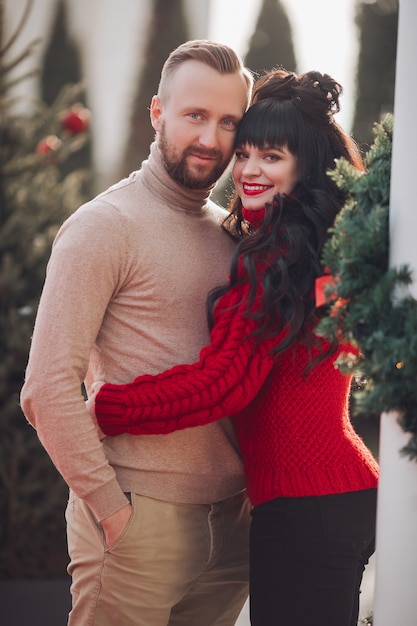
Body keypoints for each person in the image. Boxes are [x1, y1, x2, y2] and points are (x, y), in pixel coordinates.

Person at [87, 69, 379, 626]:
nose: (247, 170)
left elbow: (223, 384)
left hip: (305, 507)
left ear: (305, 167)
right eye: (243, 153)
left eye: (271, 156)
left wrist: (104, 407)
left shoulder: (278, 256)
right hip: (335, 495)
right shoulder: (316, 243)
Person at [20, 40, 254, 626]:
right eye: (195, 115)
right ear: (158, 113)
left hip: (231, 530)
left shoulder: (234, 237)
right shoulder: (103, 227)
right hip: (136, 524)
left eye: (228, 122)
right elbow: (46, 389)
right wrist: (111, 511)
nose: (211, 138)